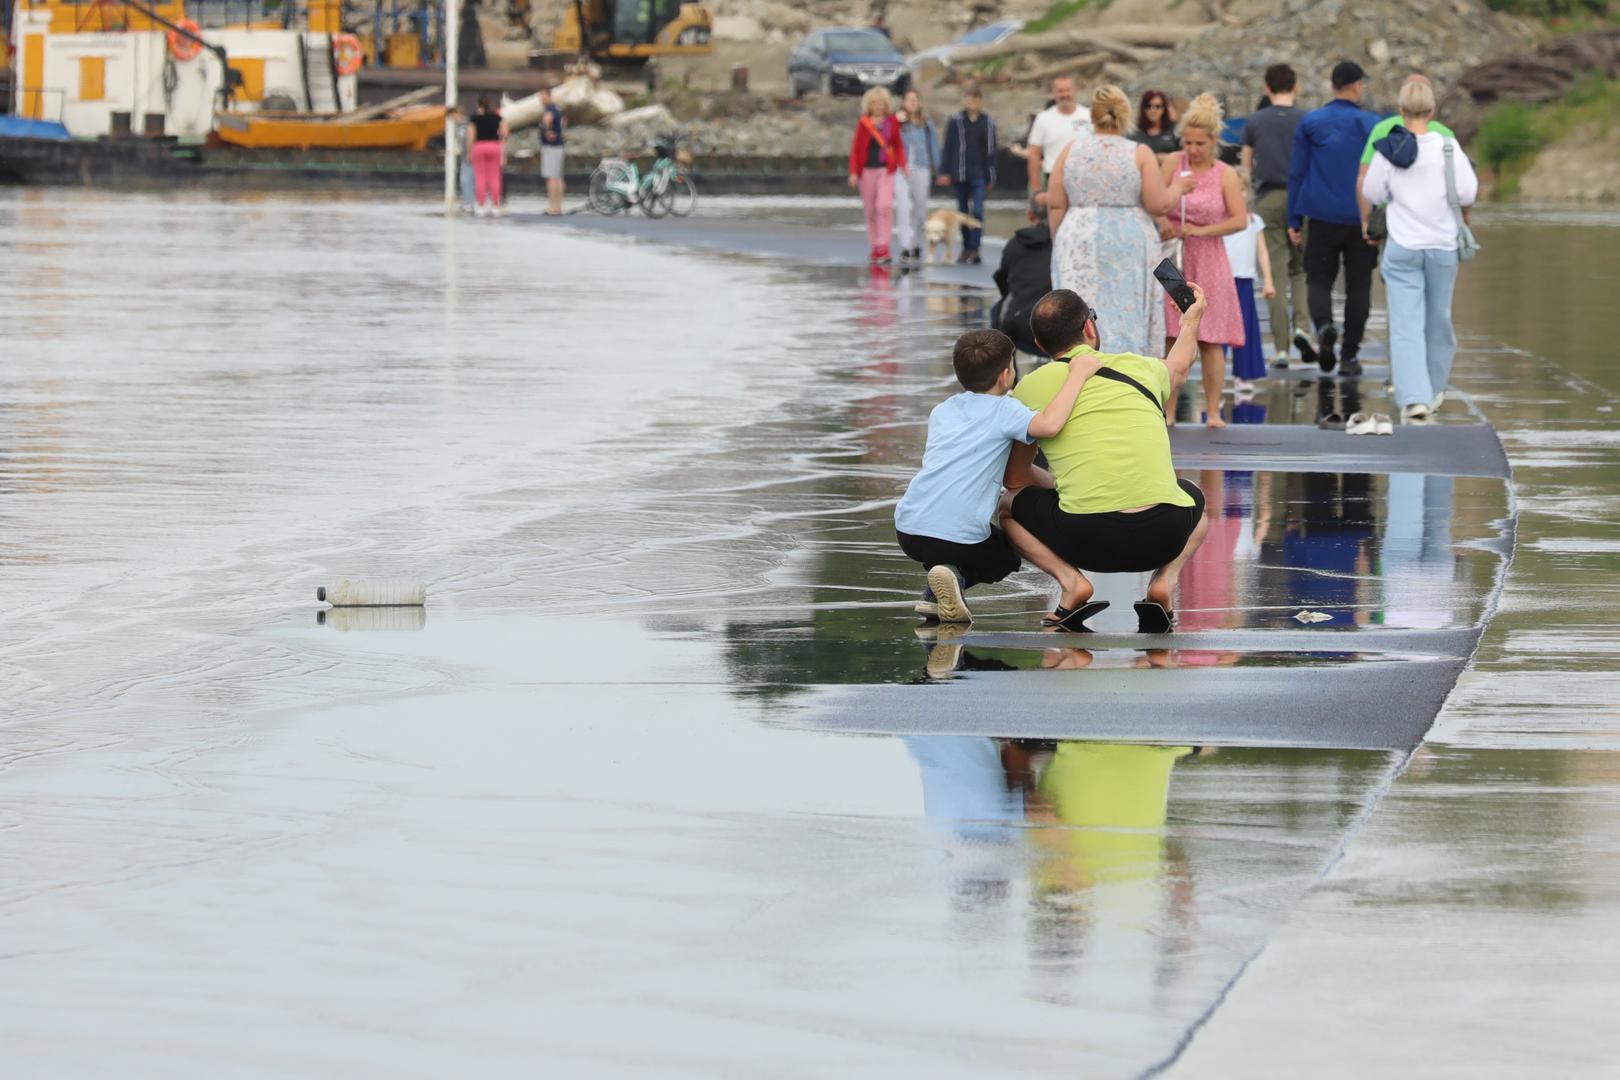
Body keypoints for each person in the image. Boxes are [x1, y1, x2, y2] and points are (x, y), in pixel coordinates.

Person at [1004, 286, 1212, 632]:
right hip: (1165, 532)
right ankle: (1164, 581)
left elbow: (1015, 478)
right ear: (1090, 327)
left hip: (1086, 539)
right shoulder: (1140, 367)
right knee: (1193, 501)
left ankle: (1073, 584)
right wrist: (1191, 319)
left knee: (1007, 506)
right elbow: (1180, 365)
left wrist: (1064, 486)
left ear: (1040, 346)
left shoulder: (1031, 387)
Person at [895, 329, 1101, 624]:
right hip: (957, 539)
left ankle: (938, 592)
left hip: (909, 530)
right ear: (1006, 375)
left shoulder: (942, 410)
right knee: (1005, 559)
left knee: (946, 538)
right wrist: (1077, 375)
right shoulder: (1007, 411)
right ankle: (951, 580)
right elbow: (1051, 425)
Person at [1361, 77, 1478, 424]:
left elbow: (1371, 191)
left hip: (1402, 246)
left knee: (1405, 324)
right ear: (1432, 110)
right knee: (1438, 320)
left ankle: (1414, 399)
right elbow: (1468, 193)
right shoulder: (1448, 147)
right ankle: (1434, 389)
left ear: (1400, 111)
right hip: (1442, 246)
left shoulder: (1389, 148)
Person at [1046, 85, 1194, 359]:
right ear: (1126, 116)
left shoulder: (1070, 150)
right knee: (1127, 308)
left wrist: (1060, 242)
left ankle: (1077, 371)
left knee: (1077, 312)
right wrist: (1178, 188)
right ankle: (1128, 373)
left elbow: (1055, 202)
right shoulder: (1138, 152)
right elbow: (1158, 204)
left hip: (1078, 237)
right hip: (1129, 238)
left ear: (1093, 117)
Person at [1160, 93, 1248, 427]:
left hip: (1210, 258)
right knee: (1171, 336)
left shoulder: (1224, 173)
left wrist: (1202, 230)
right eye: (1188, 142)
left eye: (1200, 143)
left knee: (1212, 339)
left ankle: (1213, 411)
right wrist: (1164, 222)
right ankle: (1167, 412)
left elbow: (1239, 219)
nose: (1193, 149)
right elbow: (1154, 202)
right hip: (1175, 258)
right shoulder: (1172, 164)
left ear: (1213, 141)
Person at [1287, 61, 1379, 375]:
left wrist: (1293, 219)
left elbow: (1297, 173)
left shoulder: (1312, 122)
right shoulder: (1372, 124)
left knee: (1319, 281)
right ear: (1355, 86)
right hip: (1361, 217)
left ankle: (1325, 326)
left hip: (1320, 212)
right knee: (1359, 286)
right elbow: (1382, 176)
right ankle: (1350, 357)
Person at [1241, 64, 1312, 368]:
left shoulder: (1254, 122)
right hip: (1303, 200)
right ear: (1295, 87)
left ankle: (1281, 348)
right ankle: (1302, 327)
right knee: (1300, 270)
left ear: (1267, 88)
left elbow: (1246, 167)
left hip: (1268, 197)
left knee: (1275, 274)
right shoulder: (1308, 120)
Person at [939, 85, 998, 264]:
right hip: (960, 173)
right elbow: (948, 147)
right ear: (965, 100)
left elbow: (991, 151)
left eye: (975, 100)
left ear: (980, 102)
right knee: (962, 212)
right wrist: (944, 171)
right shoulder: (956, 120)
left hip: (979, 173)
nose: (972, 103)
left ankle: (975, 247)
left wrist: (991, 175)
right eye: (969, 99)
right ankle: (965, 248)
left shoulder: (987, 122)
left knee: (978, 211)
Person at [848, 86, 907, 265]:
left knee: (884, 206)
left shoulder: (892, 122)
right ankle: (874, 246)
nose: (878, 106)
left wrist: (903, 164)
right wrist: (853, 172)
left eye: (881, 103)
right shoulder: (864, 122)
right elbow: (856, 150)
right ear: (869, 105)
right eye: (874, 103)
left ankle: (884, 246)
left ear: (886, 104)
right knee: (871, 210)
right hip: (866, 171)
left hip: (885, 170)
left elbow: (898, 145)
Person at [992, 193, 1053, 356]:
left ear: (1030, 215)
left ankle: (1006, 374)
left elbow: (1002, 278)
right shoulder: (1064, 242)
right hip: (1057, 327)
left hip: (1019, 324)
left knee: (996, 311)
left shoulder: (1016, 243)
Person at [1223, 209, 1275, 390]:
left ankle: (1243, 375)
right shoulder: (1219, 217)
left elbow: (1262, 252)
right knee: (1218, 331)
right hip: (1221, 278)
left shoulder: (1254, 220)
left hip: (1244, 279)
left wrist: (1268, 281)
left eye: (1243, 189)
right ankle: (1215, 375)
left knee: (1244, 328)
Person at [893, 89, 939, 264]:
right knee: (905, 206)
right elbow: (887, 137)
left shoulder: (926, 124)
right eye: (909, 100)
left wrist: (939, 169)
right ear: (903, 102)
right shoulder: (897, 122)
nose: (913, 103)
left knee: (921, 209)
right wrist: (896, 122)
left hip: (922, 167)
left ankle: (917, 243)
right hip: (901, 169)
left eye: (915, 100)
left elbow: (933, 146)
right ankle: (905, 246)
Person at [1026, 75, 1091, 195]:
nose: (1065, 94)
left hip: (1084, 178)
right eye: (1060, 91)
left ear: (1075, 91)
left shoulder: (1089, 116)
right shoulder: (1043, 118)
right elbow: (1034, 154)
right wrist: (1036, 190)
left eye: (1068, 90)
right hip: (1054, 178)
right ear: (1053, 93)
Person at [469, 94, 507, 216]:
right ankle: (495, 206)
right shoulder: (497, 118)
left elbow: (471, 136)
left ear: (478, 105)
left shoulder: (474, 119)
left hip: (479, 146)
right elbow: (505, 133)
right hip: (494, 146)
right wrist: (501, 144)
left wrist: (469, 152)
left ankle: (481, 205)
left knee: (480, 177)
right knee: (495, 177)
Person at [538, 86, 566, 216]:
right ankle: (558, 206)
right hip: (559, 145)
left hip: (551, 146)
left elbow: (547, 119)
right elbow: (564, 122)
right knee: (558, 176)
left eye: (543, 96)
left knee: (552, 177)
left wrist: (547, 131)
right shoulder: (558, 109)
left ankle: (552, 207)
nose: (541, 99)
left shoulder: (549, 110)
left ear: (549, 96)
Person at [1131, 89, 1180, 158]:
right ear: (1143, 108)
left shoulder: (1175, 129)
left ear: (1164, 109)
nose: (1153, 110)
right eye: (1148, 106)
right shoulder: (1134, 132)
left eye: (1157, 106)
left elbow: (1185, 155)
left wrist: (1169, 158)